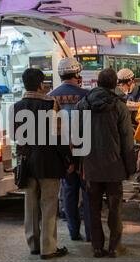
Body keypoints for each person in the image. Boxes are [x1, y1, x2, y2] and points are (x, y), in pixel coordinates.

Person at [13, 68, 72, 260]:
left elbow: (17, 137)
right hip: (49, 162)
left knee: (30, 206)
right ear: (40, 85)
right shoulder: (50, 104)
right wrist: (68, 159)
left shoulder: (17, 106)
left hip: (26, 162)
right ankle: (48, 248)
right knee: (48, 206)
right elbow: (59, 135)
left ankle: (33, 245)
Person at [76, 68, 135, 258]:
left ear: (97, 83)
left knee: (93, 207)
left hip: (91, 166)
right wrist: (130, 167)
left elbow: (77, 138)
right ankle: (114, 247)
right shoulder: (120, 106)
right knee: (115, 207)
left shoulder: (83, 104)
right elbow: (127, 140)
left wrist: (79, 165)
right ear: (113, 85)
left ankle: (97, 247)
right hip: (114, 166)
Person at [49, 58, 91, 242]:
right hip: (85, 153)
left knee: (68, 192)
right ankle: (91, 233)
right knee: (89, 193)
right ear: (76, 73)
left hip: (62, 154)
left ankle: (74, 232)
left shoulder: (51, 96)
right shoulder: (86, 95)